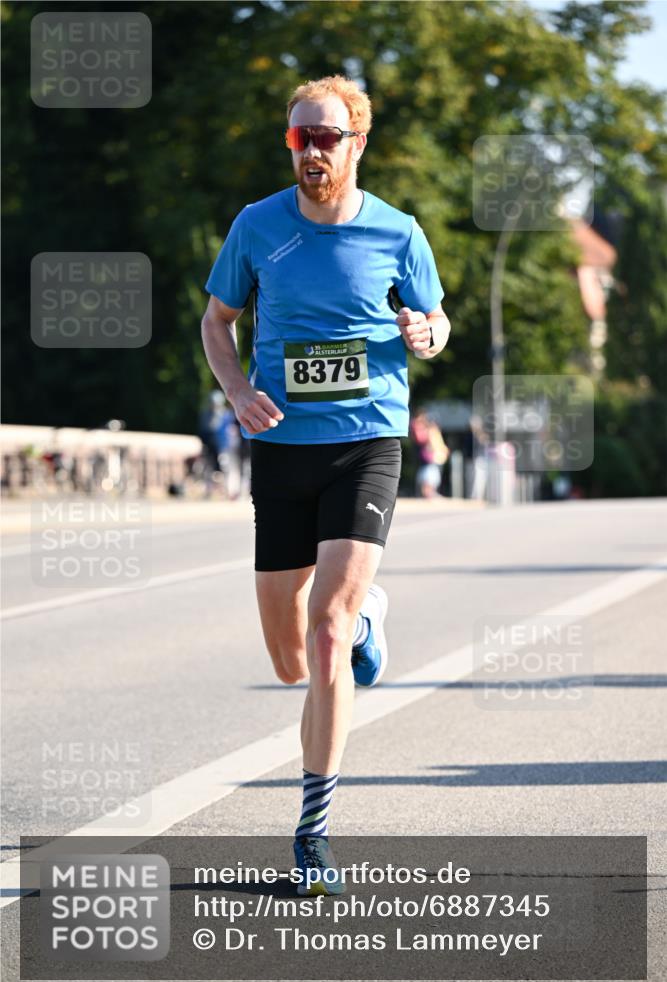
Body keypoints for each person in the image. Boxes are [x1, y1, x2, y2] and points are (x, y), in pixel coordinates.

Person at [201, 75, 450, 894]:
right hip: (280, 446)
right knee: (284, 660)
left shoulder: (397, 232)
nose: (311, 150)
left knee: (326, 631)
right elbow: (216, 322)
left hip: (366, 441)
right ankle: (370, 617)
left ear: (356, 143)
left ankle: (312, 834)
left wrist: (424, 331)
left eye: (326, 137)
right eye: (299, 137)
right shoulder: (256, 226)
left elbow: (435, 321)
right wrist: (236, 392)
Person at [410, 410, 450, 498]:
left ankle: (430, 492)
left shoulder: (428, 429)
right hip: (427, 455)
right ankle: (428, 493)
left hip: (431, 455)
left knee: (432, 474)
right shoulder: (420, 426)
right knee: (428, 474)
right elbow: (421, 439)